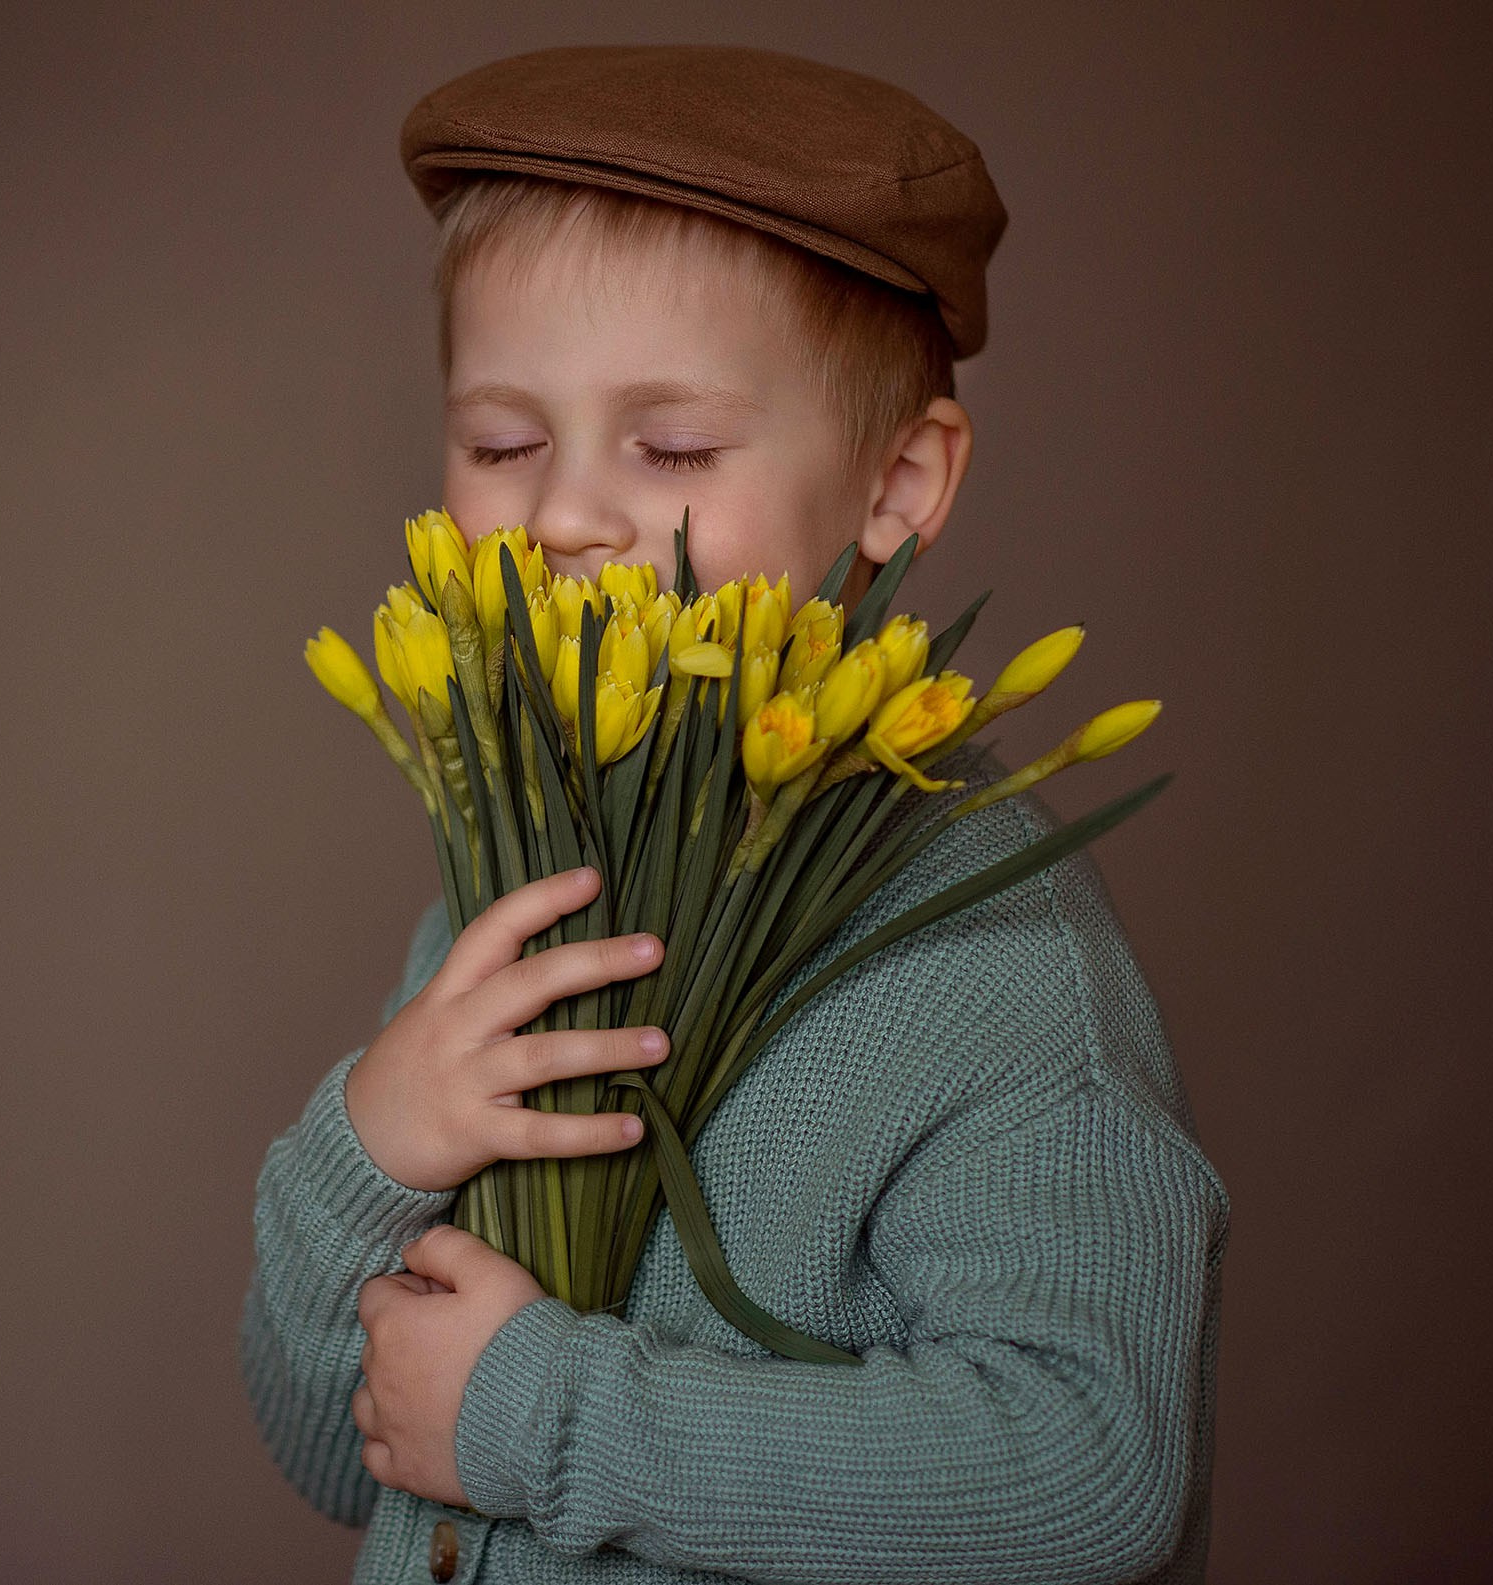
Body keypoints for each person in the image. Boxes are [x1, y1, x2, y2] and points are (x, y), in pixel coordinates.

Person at [242, 44, 1228, 1585]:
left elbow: (1089, 1471)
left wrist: (538, 1411)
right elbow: (338, 1450)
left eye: (674, 447)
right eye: (503, 443)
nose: (563, 516)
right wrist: (365, 1145)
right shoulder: (512, 883)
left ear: (898, 485)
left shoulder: (997, 966)